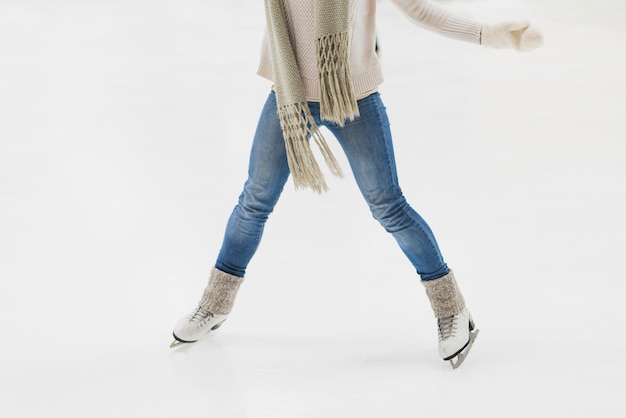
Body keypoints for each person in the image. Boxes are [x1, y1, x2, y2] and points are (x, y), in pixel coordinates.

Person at [170, 0, 543, 369]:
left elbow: (420, 10)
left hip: (354, 98)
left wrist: (488, 33)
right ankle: (214, 304)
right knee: (254, 201)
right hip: (289, 94)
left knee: (389, 206)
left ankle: (453, 311)